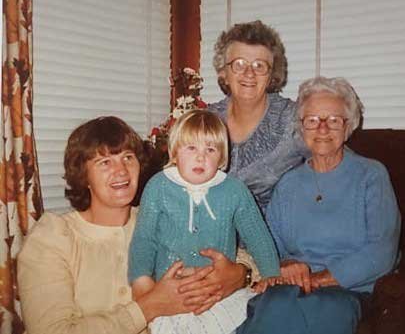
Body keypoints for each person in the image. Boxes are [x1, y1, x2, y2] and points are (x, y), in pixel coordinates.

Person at [16, 116, 236, 334]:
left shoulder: (161, 218)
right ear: (83, 176)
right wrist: (149, 307)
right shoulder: (53, 237)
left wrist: (239, 273)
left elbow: (230, 248)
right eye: (104, 162)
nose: (121, 170)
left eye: (128, 158)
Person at [237, 77, 402, 334]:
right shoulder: (288, 184)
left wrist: (318, 280)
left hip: (345, 291)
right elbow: (271, 245)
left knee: (323, 314)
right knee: (272, 308)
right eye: (313, 120)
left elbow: (382, 252)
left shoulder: (371, 176)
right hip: (290, 289)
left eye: (334, 120)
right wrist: (284, 264)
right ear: (302, 128)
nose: (322, 129)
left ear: (348, 127)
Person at [128, 110, 281, 334]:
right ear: (174, 151)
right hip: (172, 292)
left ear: (221, 157)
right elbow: (144, 239)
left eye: (210, 149)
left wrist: (271, 275)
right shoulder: (158, 187)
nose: (201, 157)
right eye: (191, 148)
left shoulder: (234, 190)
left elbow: (258, 236)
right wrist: (141, 280)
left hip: (220, 291)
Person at [209, 20, 307, 214]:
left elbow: (335, 161)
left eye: (259, 66)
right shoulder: (206, 120)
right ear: (223, 73)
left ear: (271, 76)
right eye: (239, 64)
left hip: (272, 238)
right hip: (212, 236)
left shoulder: (293, 118)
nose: (249, 73)